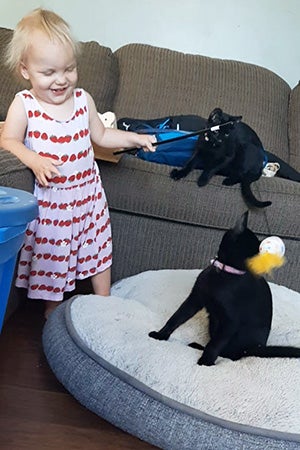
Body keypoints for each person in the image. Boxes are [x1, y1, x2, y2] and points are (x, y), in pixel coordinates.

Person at [0, 8, 156, 318]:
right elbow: (8, 140)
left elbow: (101, 136)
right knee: (53, 257)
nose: (61, 80)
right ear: (25, 70)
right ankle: (52, 312)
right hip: (54, 202)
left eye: (69, 69)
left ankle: (104, 300)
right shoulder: (25, 105)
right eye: (49, 73)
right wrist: (34, 160)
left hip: (89, 196)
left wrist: (135, 138)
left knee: (99, 250)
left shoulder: (83, 99)